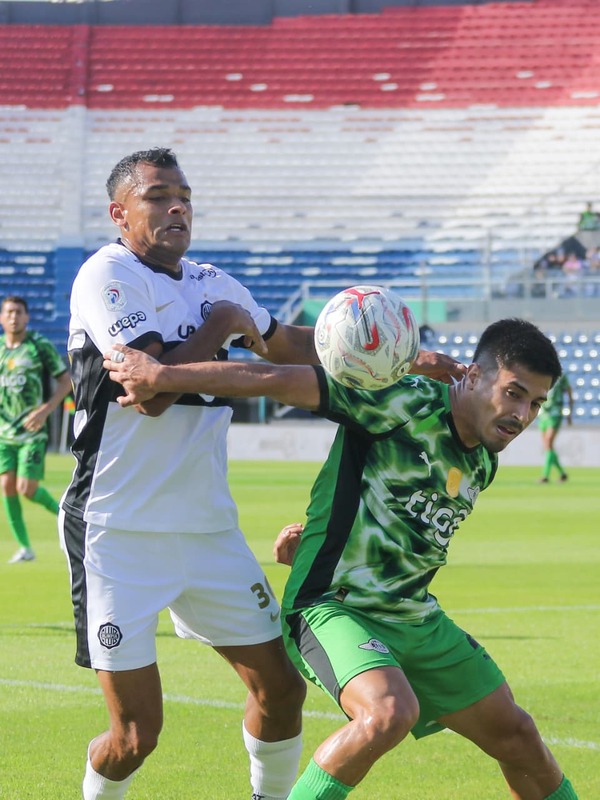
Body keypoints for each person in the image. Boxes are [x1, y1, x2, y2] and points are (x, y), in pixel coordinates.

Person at [61, 146, 463, 800]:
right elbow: (154, 391)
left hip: (206, 530)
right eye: (159, 196)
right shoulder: (106, 278)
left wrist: (411, 358)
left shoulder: (214, 279)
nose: (177, 207)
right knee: (137, 733)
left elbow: (291, 345)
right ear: (121, 213)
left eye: (183, 195)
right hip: (116, 531)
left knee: (280, 690)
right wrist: (222, 325)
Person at [102, 317, 578, 800]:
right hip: (334, 607)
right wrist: (165, 377)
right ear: (474, 376)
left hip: (414, 615)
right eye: (514, 393)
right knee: (387, 713)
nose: (522, 414)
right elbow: (281, 380)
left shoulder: (484, 455)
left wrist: (316, 542)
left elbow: (392, 523)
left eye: (536, 403)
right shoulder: (402, 401)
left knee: (518, 736)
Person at [0, 295, 71, 563]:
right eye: (9, 312)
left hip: (32, 431)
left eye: (19, 312)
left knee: (26, 488)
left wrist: (45, 410)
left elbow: (66, 381)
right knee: (6, 485)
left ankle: (67, 518)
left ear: (27, 317)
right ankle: (25, 548)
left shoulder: (38, 346)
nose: (14, 317)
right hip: (4, 433)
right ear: (2, 318)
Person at [538, 371, 573, 483]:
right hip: (543, 414)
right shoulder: (540, 374)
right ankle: (562, 473)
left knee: (548, 442)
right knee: (548, 447)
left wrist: (569, 413)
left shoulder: (562, 376)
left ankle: (545, 476)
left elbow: (569, 393)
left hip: (555, 413)